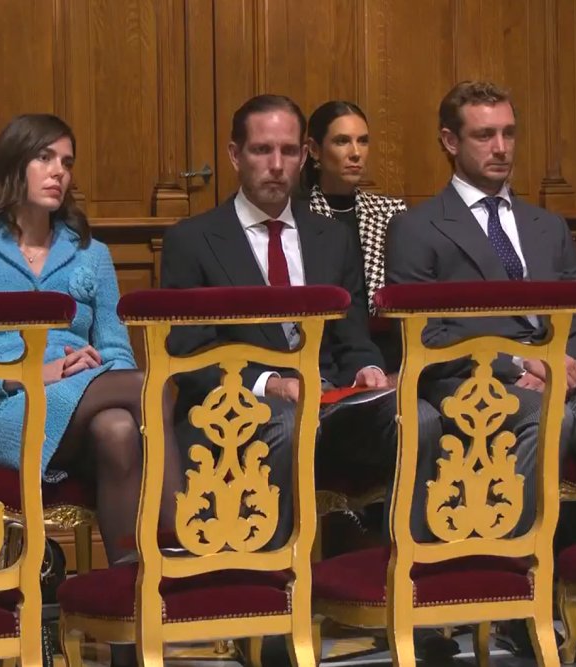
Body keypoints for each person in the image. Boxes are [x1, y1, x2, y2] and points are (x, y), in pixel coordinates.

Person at [384, 81, 576, 654]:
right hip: (475, 384)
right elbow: (426, 335)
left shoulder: (547, 227)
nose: (501, 147)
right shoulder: (418, 226)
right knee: (545, 414)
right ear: (450, 142)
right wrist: (516, 365)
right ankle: (520, 596)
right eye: (485, 135)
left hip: (566, 378)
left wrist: (567, 362)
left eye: (509, 133)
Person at [161, 94, 454, 661]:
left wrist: (369, 369)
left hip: (332, 403)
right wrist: (272, 383)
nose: (277, 165)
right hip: (239, 410)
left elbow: (352, 336)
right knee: (287, 424)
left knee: (417, 418)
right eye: (262, 150)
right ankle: (271, 616)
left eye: (288, 151)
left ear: (304, 156)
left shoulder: (330, 237)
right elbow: (190, 355)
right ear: (235, 155)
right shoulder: (192, 239)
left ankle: (406, 601)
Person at [0, 113, 180, 566]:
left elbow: (117, 351)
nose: (58, 171)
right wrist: (27, 376)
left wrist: (96, 371)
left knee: (119, 430)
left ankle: (128, 588)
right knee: (150, 386)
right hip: (4, 409)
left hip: (88, 395)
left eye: (66, 161)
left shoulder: (92, 253)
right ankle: (182, 548)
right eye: (44, 158)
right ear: (12, 163)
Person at [302, 100, 407, 312]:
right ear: (314, 149)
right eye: (342, 141)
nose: (356, 152)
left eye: (363, 141)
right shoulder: (298, 214)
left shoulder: (390, 213)